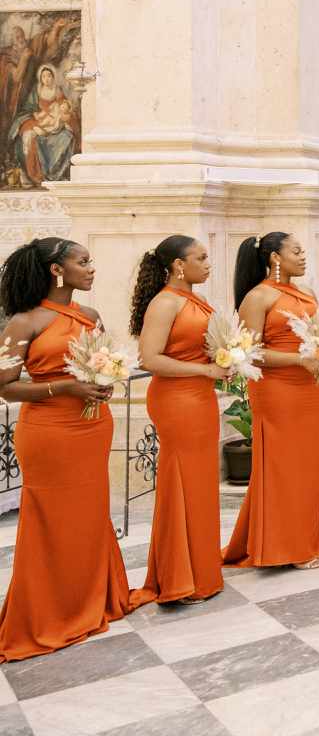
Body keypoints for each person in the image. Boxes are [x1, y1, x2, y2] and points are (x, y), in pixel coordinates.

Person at [0, 238, 144, 659]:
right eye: (83, 262)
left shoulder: (90, 315)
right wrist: (65, 385)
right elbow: (5, 386)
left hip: (92, 427)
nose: (92, 268)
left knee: (89, 513)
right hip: (48, 431)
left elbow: (102, 361)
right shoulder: (23, 322)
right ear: (56, 270)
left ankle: (91, 598)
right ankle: (49, 610)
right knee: (51, 520)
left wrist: (107, 378)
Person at [222, 232, 319, 569]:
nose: (303, 256)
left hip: (309, 387)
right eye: (296, 251)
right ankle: (283, 545)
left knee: (304, 463)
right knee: (281, 464)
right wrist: (299, 360)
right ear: (274, 257)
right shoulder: (257, 297)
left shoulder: (307, 292)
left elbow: (316, 335)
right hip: (277, 388)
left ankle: (302, 536)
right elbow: (250, 353)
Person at [132, 235, 228, 603]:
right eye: (200, 258)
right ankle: (180, 576)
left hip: (199, 399)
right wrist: (205, 372)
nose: (208, 263)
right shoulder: (165, 303)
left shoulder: (197, 300)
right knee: (183, 481)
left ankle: (200, 570)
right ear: (177, 265)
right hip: (176, 399)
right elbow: (150, 359)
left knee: (200, 483)